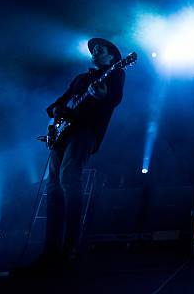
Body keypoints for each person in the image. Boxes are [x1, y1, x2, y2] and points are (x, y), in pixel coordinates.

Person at [41, 38, 125, 268]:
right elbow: (56, 104)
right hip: (63, 134)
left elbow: (114, 99)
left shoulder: (115, 73)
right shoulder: (80, 78)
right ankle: (50, 250)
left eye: (100, 50)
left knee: (69, 177)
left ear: (112, 57)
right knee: (53, 185)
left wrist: (101, 96)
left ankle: (71, 247)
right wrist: (56, 111)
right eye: (94, 50)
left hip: (85, 131)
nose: (94, 52)